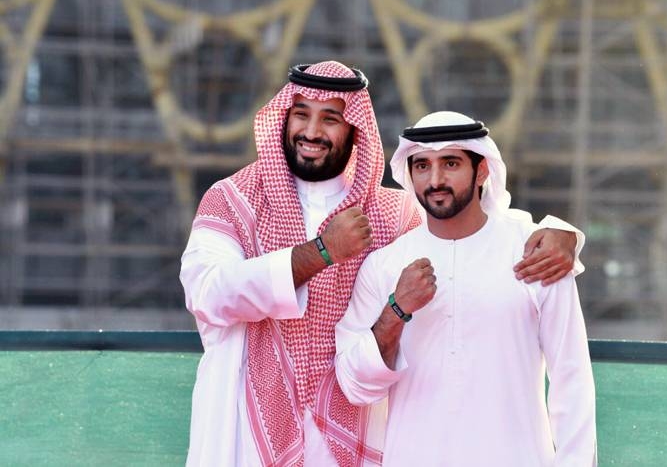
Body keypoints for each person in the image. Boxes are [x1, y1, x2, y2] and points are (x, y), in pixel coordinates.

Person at [180, 61, 584, 466]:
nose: (312, 132)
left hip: (348, 436)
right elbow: (208, 293)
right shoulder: (232, 200)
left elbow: (471, 228)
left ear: (355, 129)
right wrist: (323, 251)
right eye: (301, 115)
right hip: (249, 420)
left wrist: (564, 234)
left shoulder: (393, 213)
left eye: (331, 119)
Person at [335, 111, 597, 466]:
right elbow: (355, 386)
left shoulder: (536, 252)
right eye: (423, 166)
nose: (436, 179)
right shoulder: (384, 265)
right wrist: (397, 309)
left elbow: (572, 380)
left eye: (451, 163)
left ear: (482, 170)